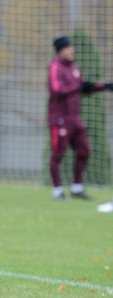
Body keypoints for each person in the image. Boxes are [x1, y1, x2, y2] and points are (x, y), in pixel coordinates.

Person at [47, 35, 113, 201]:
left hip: (75, 119)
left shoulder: (73, 67)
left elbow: (82, 88)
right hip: (59, 119)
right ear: (61, 50)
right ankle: (57, 191)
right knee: (57, 155)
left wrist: (103, 86)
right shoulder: (55, 67)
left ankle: (77, 188)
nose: (72, 50)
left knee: (84, 151)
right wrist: (77, 86)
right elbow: (57, 90)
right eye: (69, 48)